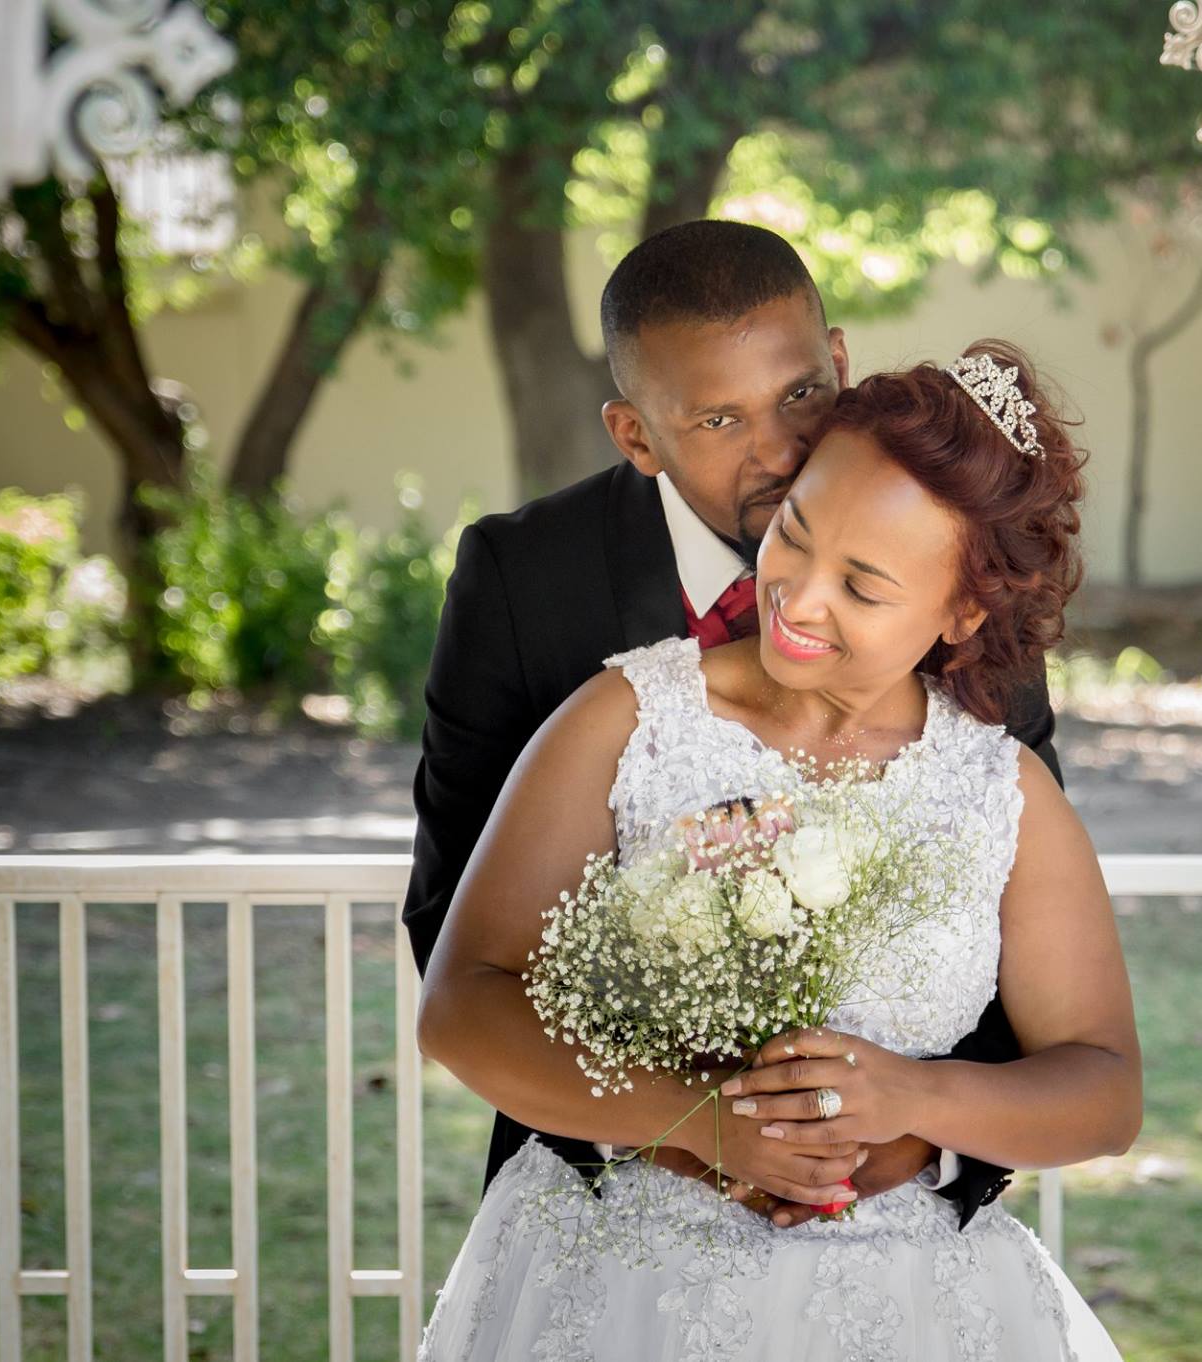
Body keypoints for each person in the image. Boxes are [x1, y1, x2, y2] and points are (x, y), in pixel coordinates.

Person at [415, 341, 1139, 1357]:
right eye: (793, 534)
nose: (798, 600)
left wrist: (915, 1100)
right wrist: (700, 1123)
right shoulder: (626, 719)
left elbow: (1105, 1091)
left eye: (863, 587)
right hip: (620, 1286)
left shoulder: (1000, 791)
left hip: (906, 1303)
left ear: (962, 611)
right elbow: (460, 1008)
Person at [400, 220, 1062, 1231]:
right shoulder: (524, 582)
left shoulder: (953, 561)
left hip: (895, 1203)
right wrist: (688, 1129)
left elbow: (1013, 902)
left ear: (838, 359)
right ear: (636, 436)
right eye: (718, 419)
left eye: (800, 394)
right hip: (618, 1195)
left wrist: (918, 1139)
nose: (783, 450)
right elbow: (456, 928)